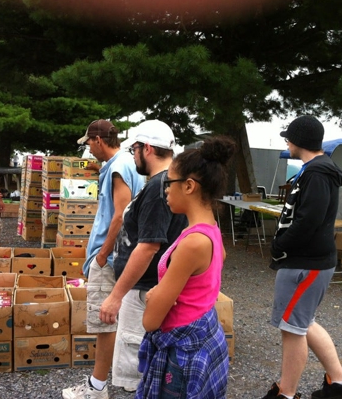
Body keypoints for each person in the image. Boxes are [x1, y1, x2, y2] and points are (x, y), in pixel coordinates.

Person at [263, 115, 342, 399]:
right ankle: (341, 383)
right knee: (304, 323)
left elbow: (309, 220)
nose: (287, 142)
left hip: (305, 262)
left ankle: (286, 393)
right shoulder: (316, 169)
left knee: (292, 328)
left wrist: (281, 245)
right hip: (311, 262)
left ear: (299, 141)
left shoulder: (317, 173)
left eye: (289, 138)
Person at [137, 136, 234, 398]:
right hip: (204, 334)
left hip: (183, 352)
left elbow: (150, 321)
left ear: (189, 186)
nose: (165, 190)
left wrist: (156, 295)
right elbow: (216, 262)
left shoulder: (193, 243)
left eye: (169, 183)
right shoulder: (210, 229)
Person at [99, 119, 188, 392]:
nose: (132, 154)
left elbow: (148, 246)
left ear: (146, 148)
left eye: (134, 148)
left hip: (143, 293)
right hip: (151, 289)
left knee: (138, 378)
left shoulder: (157, 187)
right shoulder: (172, 181)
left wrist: (115, 297)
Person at [62, 120, 145, 399]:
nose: (88, 149)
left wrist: (101, 254)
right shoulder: (125, 163)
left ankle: (97, 387)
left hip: (109, 257)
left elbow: (120, 214)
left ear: (98, 140)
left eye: (88, 143)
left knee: (104, 321)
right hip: (123, 253)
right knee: (122, 320)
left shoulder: (119, 167)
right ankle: (130, 378)